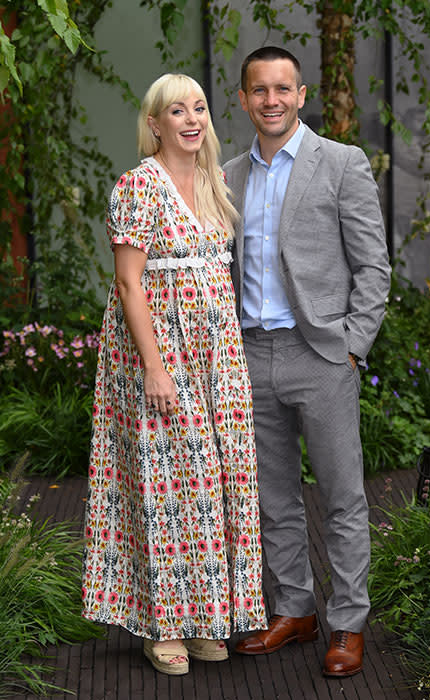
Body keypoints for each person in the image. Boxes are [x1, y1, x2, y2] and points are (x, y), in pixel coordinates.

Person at [81, 73, 266, 676]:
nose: (192, 119)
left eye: (200, 108)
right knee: (166, 482)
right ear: (155, 123)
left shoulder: (214, 182)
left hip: (218, 355)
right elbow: (130, 284)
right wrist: (155, 368)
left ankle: (206, 616)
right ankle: (162, 625)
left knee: (217, 479)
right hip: (159, 352)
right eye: (177, 111)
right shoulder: (138, 185)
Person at [224, 46, 391, 677]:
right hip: (248, 354)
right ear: (243, 99)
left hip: (320, 355)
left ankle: (348, 622)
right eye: (259, 90)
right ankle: (294, 611)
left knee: (344, 497)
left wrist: (352, 346)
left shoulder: (342, 163)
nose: (271, 100)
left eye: (282, 89)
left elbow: (373, 267)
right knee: (273, 497)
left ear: (302, 95)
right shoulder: (229, 174)